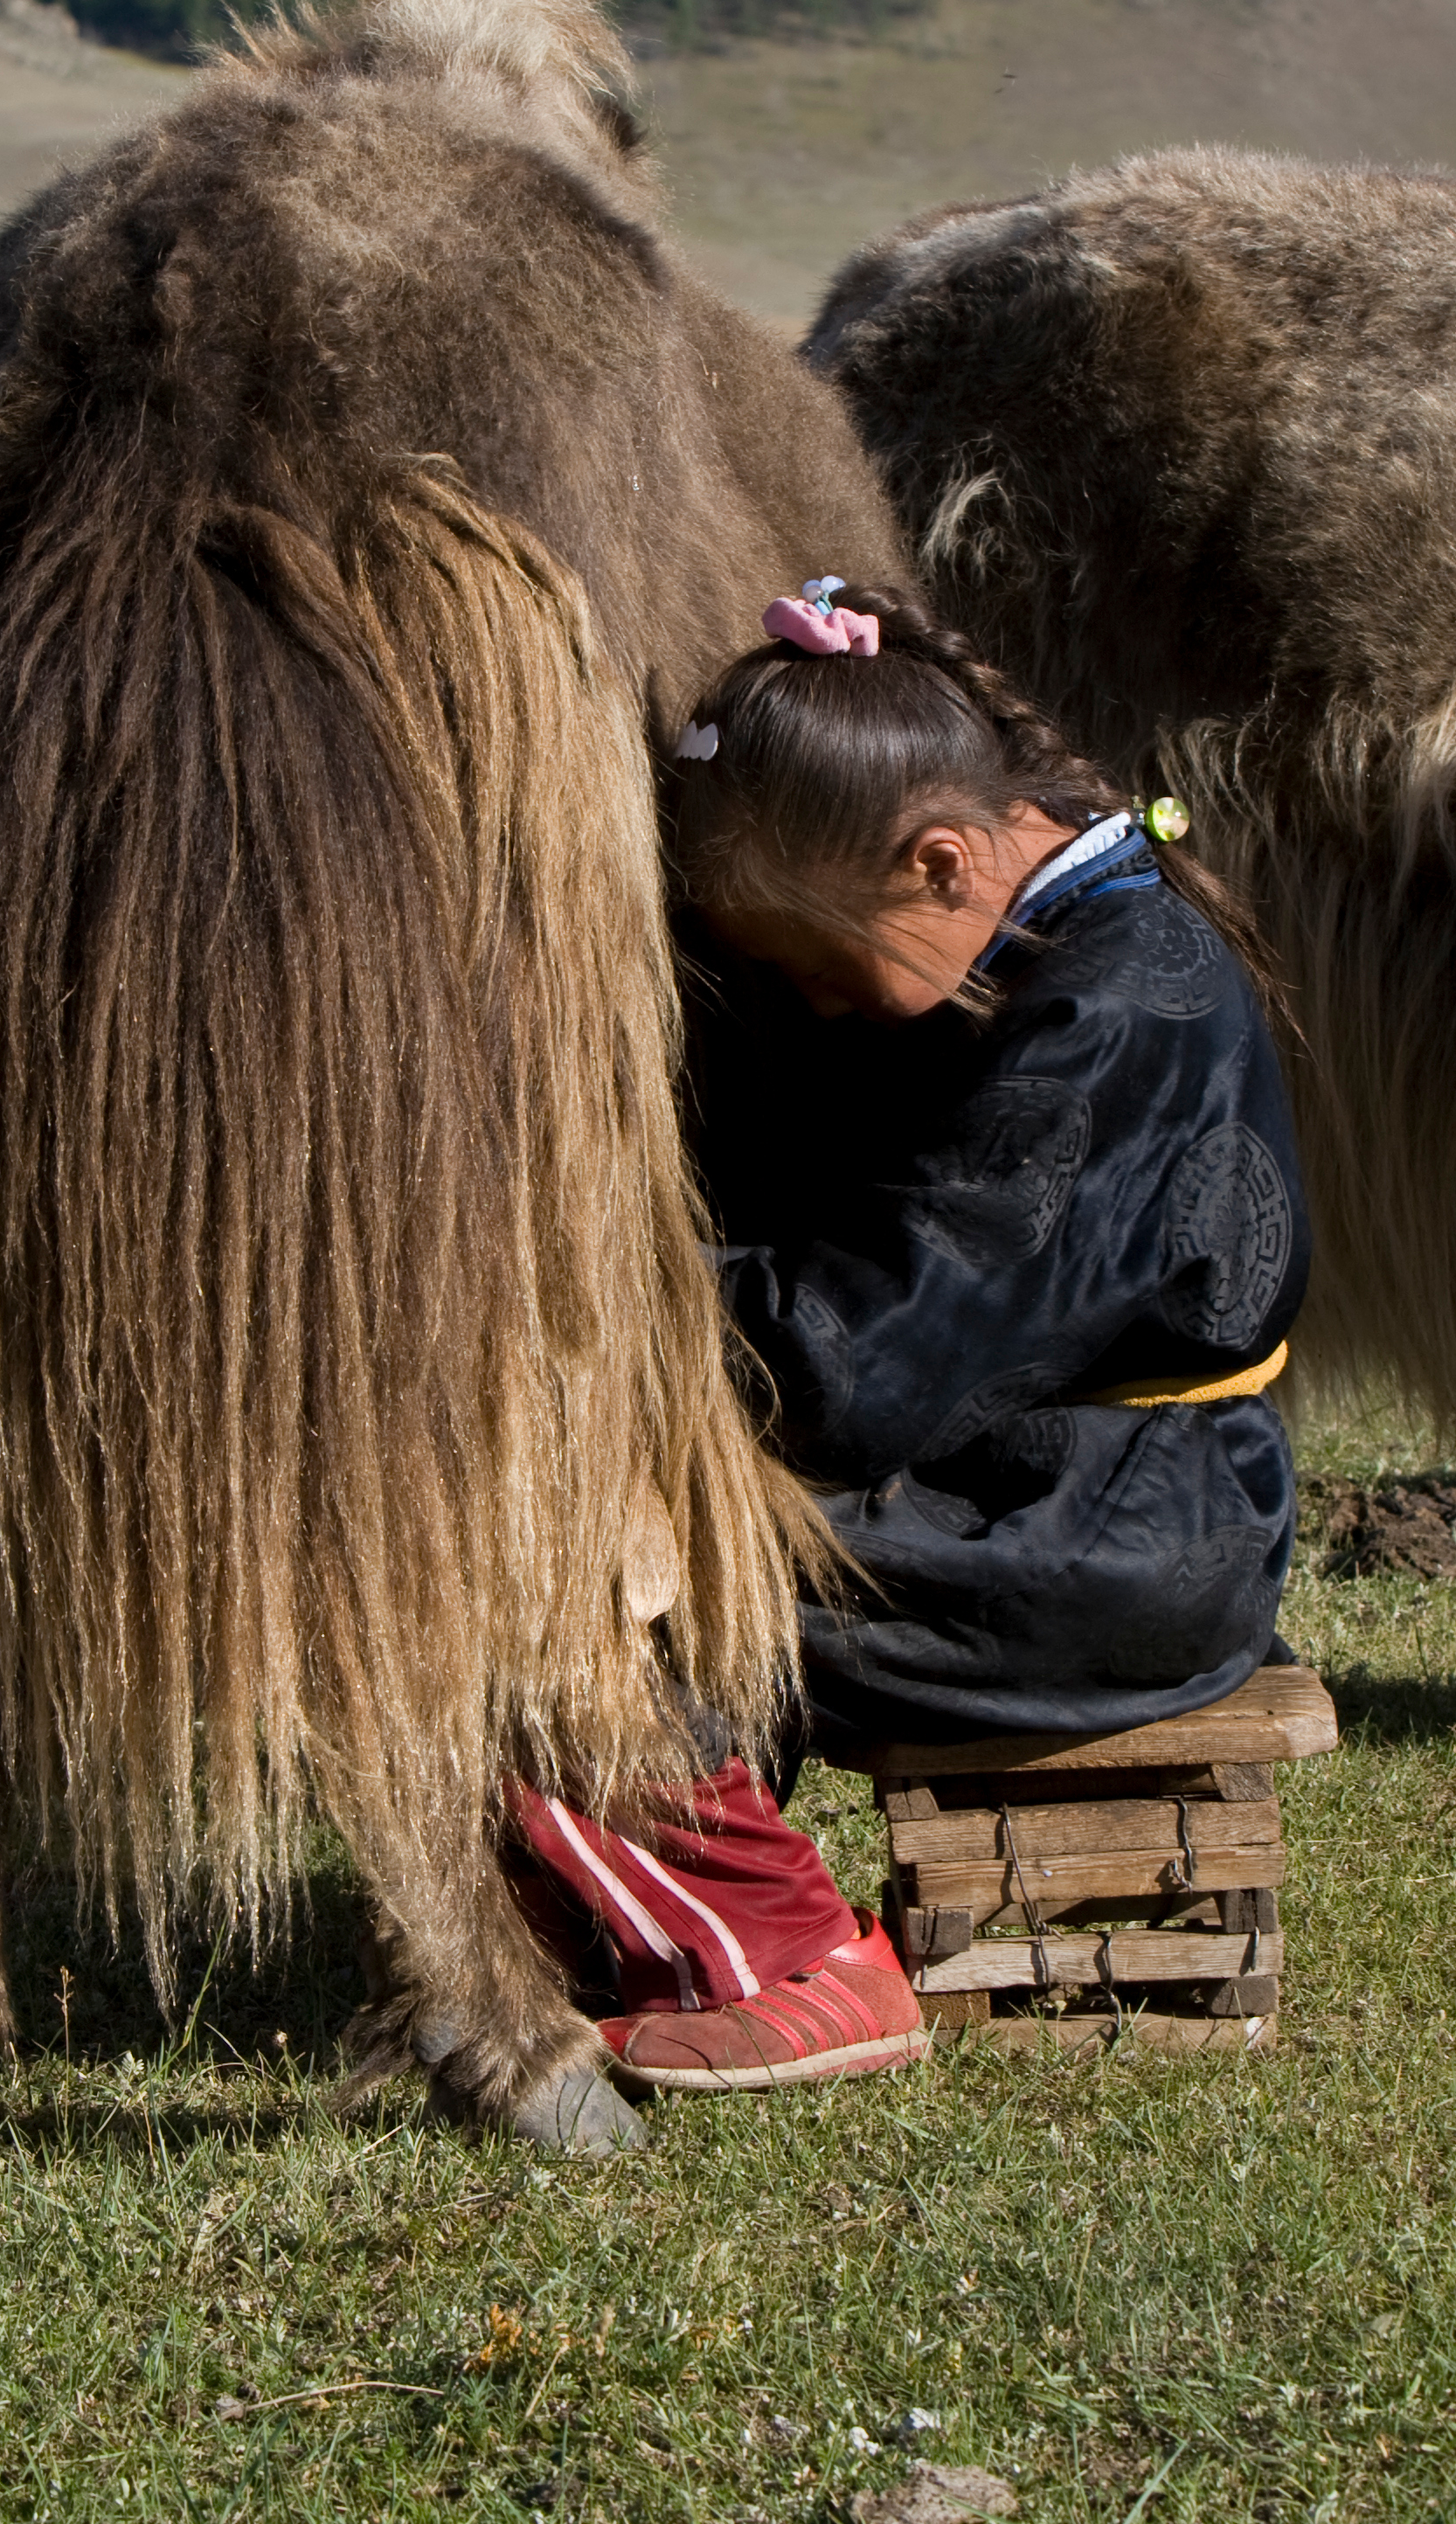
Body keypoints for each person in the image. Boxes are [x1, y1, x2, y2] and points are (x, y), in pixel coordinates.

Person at [507, 579, 1309, 2097]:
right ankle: (642, 1921)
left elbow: (861, 1362)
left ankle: (784, 1958)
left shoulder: (1115, 1020)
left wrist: (595, 1303)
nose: (815, 1006)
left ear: (942, 860)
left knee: (567, 1588)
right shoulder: (1049, 940)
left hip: (1118, 1540)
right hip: (1059, 1489)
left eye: (816, 969)